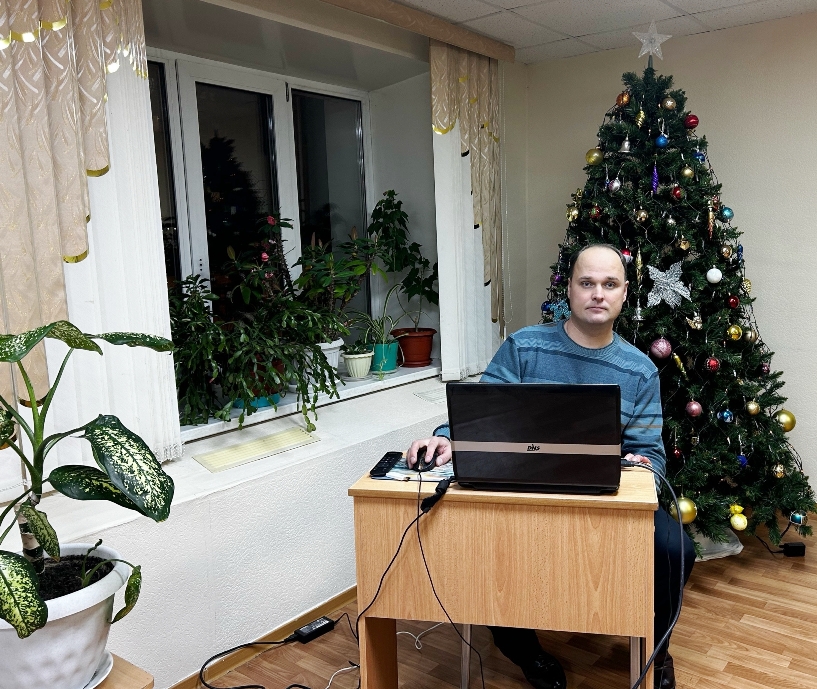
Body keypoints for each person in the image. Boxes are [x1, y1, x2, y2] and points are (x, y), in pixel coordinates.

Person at [407, 244, 695, 689]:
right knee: (482, 540)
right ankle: (525, 651)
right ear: (570, 289)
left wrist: (639, 464)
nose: (597, 294)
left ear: (624, 294)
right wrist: (445, 436)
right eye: (587, 283)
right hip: (521, 493)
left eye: (610, 284)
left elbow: (651, 455)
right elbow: (482, 415)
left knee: (677, 550)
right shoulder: (524, 347)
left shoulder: (640, 370)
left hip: (604, 502)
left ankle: (657, 650)